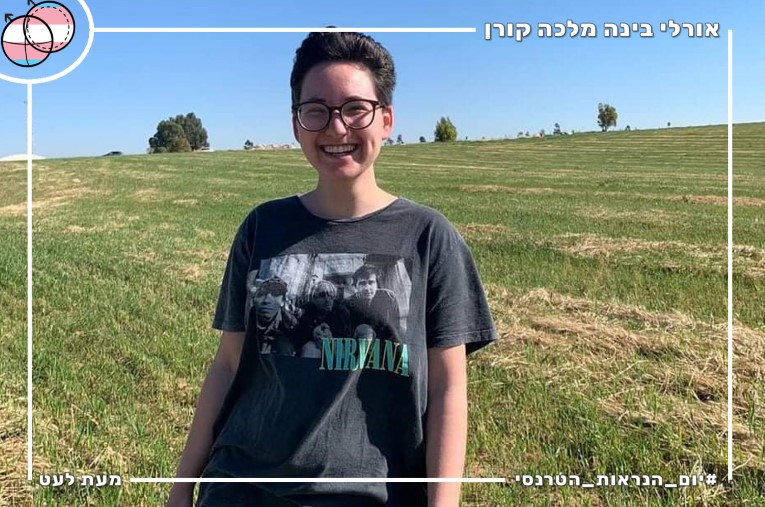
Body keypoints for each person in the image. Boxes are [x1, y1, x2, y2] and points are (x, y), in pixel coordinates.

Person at [166, 31, 496, 507]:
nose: (336, 128)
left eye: (355, 109)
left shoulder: (428, 236)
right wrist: (180, 489)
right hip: (242, 486)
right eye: (316, 110)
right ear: (297, 124)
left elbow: (448, 388)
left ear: (386, 120)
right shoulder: (262, 227)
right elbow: (227, 365)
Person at [346, 264, 401, 341]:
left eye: (371, 282)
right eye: (362, 283)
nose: (367, 288)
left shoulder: (389, 298)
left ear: (377, 284)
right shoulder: (347, 305)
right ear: (355, 287)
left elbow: (395, 326)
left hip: (385, 343)